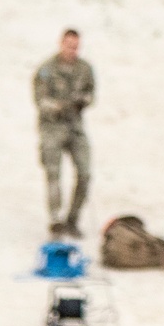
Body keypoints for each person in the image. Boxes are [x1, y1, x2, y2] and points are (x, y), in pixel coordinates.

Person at [33, 29, 95, 238]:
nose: (72, 50)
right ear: (61, 44)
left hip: (75, 127)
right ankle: (55, 220)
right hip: (52, 127)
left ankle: (73, 219)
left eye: (75, 46)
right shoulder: (47, 70)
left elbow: (91, 93)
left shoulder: (84, 69)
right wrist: (59, 106)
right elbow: (41, 101)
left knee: (85, 173)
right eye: (69, 45)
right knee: (53, 174)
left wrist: (82, 101)